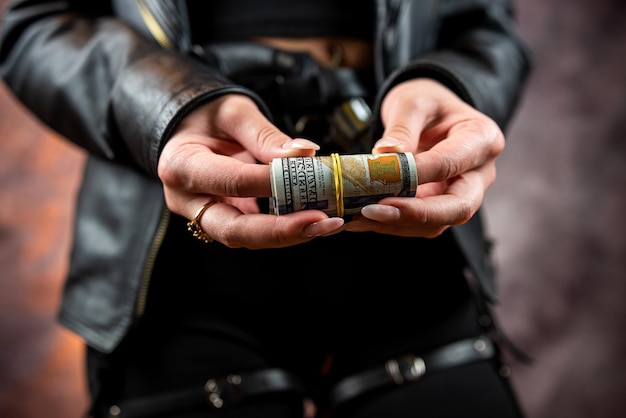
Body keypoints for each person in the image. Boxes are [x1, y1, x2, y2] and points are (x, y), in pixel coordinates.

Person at [0, 0, 531, 417]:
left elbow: (486, 28)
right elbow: (38, 27)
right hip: (173, 257)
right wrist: (168, 107)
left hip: (414, 245)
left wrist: (449, 86)